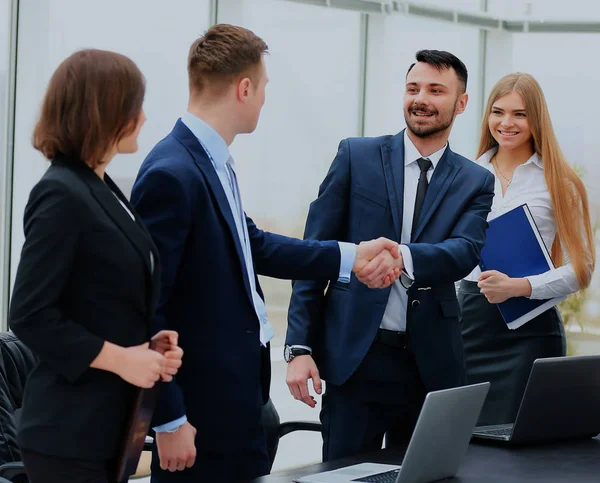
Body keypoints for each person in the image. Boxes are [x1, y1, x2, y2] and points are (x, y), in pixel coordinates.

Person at [130, 24, 399, 482]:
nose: (264, 100)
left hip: (240, 401)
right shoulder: (172, 173)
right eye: (264, 88)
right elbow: (147, 306)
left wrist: (350, 256)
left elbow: (254, 246)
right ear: (245, 87)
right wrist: (170, 418)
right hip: (200, 410)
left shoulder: (212, 162)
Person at [285, 50, 496, 461]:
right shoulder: (355, 155)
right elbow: (314, 257)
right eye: (413, 88)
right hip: (355, 359)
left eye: (436, 90)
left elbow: (465, 251)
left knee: (427, 475)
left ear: (461, 102)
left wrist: (402, 256)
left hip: (431, 366)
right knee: (343, 475)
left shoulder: (476, 180)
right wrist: (299, 347)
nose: (421, 98)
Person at [9, 49, 184, 483]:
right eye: (134, 105)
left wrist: (146, 343)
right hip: (68, 433)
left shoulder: (100, 187)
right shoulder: (61, 194)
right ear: (105, 111)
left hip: (109, 427)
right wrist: (123, 359)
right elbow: (30, 315)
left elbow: (99, 298)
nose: (143, 116)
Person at [459, 73, 596, 425]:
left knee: (523, 456)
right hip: (470, 325)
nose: (506, 123)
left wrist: (520, 287)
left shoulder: (559, 182)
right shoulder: (463, 175)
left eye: (520, 114)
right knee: (466, 446)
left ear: (537, 119)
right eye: (498, 111)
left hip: (532, 333)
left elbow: (581, 269)